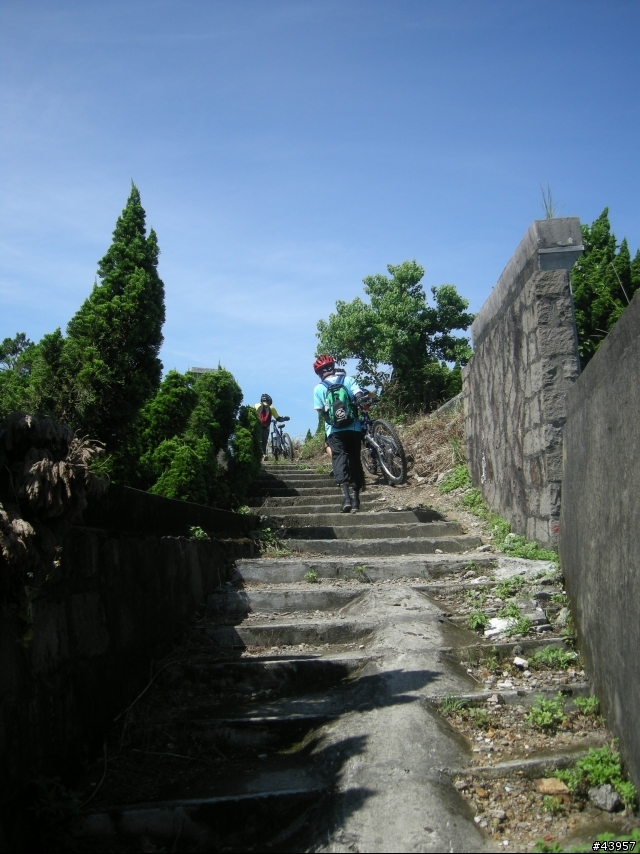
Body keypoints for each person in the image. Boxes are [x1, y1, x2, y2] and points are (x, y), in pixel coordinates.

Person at [313, 355, 369, 513]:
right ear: (333, 367)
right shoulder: (349, 380)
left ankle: (346, 498)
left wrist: (332, 422)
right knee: (355, 460)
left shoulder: (318, 389)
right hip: (354, 428)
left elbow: (321, 412)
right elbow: (359, 396)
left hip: (334, 431)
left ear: (319, 373)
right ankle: (357, 500)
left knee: (339, 459)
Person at [254, 394, 289, 461]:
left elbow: (251, 415)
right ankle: (263, 455)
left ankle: (257, 456)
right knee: (264, 442)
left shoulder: (256, 405)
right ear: (269, 401)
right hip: (266, 428)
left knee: (257, 441)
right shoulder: (271, 408)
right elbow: (278, 418)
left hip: (257, 426)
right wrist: (285, 418)